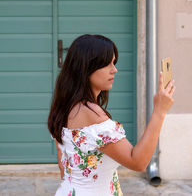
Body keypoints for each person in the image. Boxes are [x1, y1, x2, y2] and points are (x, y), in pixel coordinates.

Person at [48, 34, 175, 196]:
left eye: (113, 63)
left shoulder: (65, 106)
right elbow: (138, 162)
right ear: (86, 67)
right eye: (107, 64)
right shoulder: (91, 114)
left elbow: (63, 167)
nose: (114, 70)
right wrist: (159, 111)